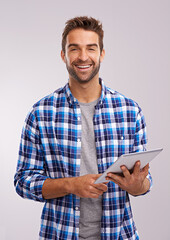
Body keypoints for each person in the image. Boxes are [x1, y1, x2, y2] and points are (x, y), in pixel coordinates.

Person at [14, 16, 152, 240]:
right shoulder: (40, 113)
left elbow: (144, 183)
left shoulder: (130, 111)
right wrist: (70, 185)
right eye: (74, 49)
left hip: (120, 234)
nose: (83, 57)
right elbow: (22, 182)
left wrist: (137, 185)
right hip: (59, 234)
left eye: (91, 48)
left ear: (102, 54)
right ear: (63, 55)